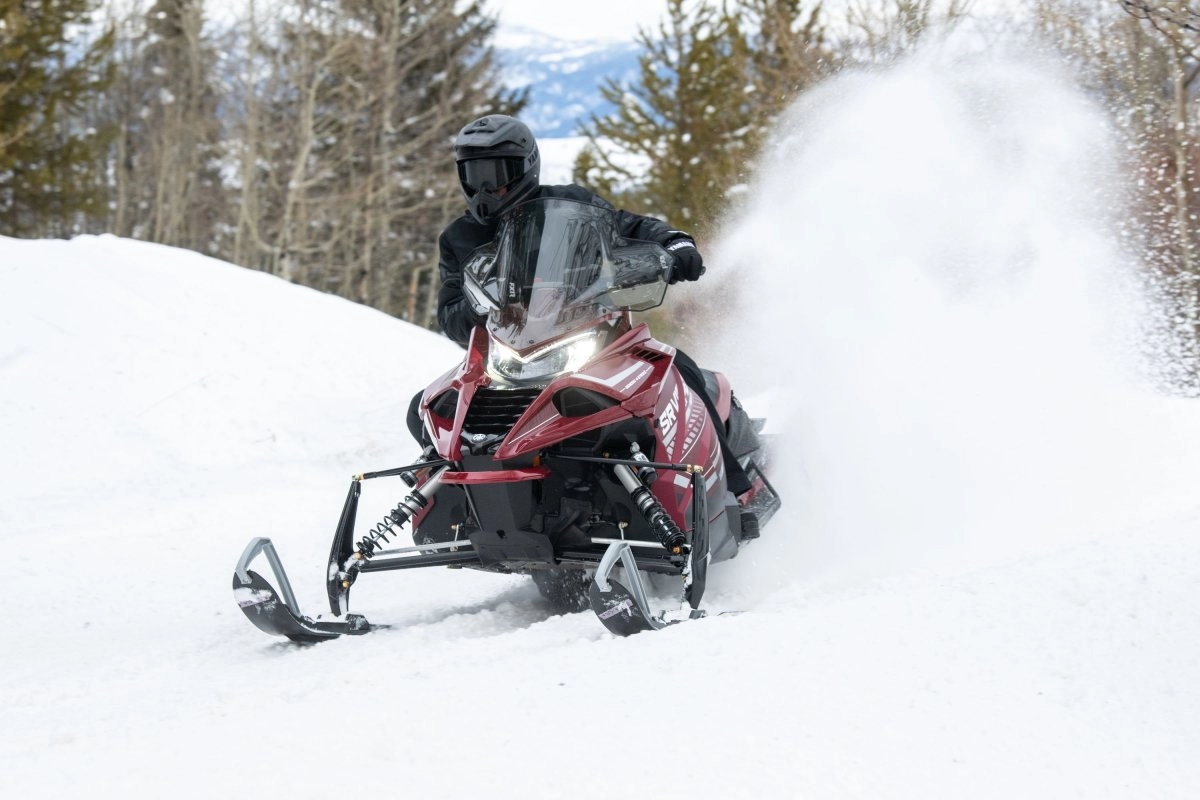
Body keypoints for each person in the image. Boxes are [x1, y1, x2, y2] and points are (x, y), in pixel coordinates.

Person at [409, 114, 751, 496]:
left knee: (678, 370)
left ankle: (735, 491)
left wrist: (675, 243)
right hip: (503, 356)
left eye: (497, 174)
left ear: (525, 167)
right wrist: (482, 303)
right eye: (475, 176)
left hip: (591, 339)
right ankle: (452, 498)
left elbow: (629, 226)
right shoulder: (459, 237)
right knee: (427, 408)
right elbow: (450, 313)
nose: (487, 189)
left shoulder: (571, 205)